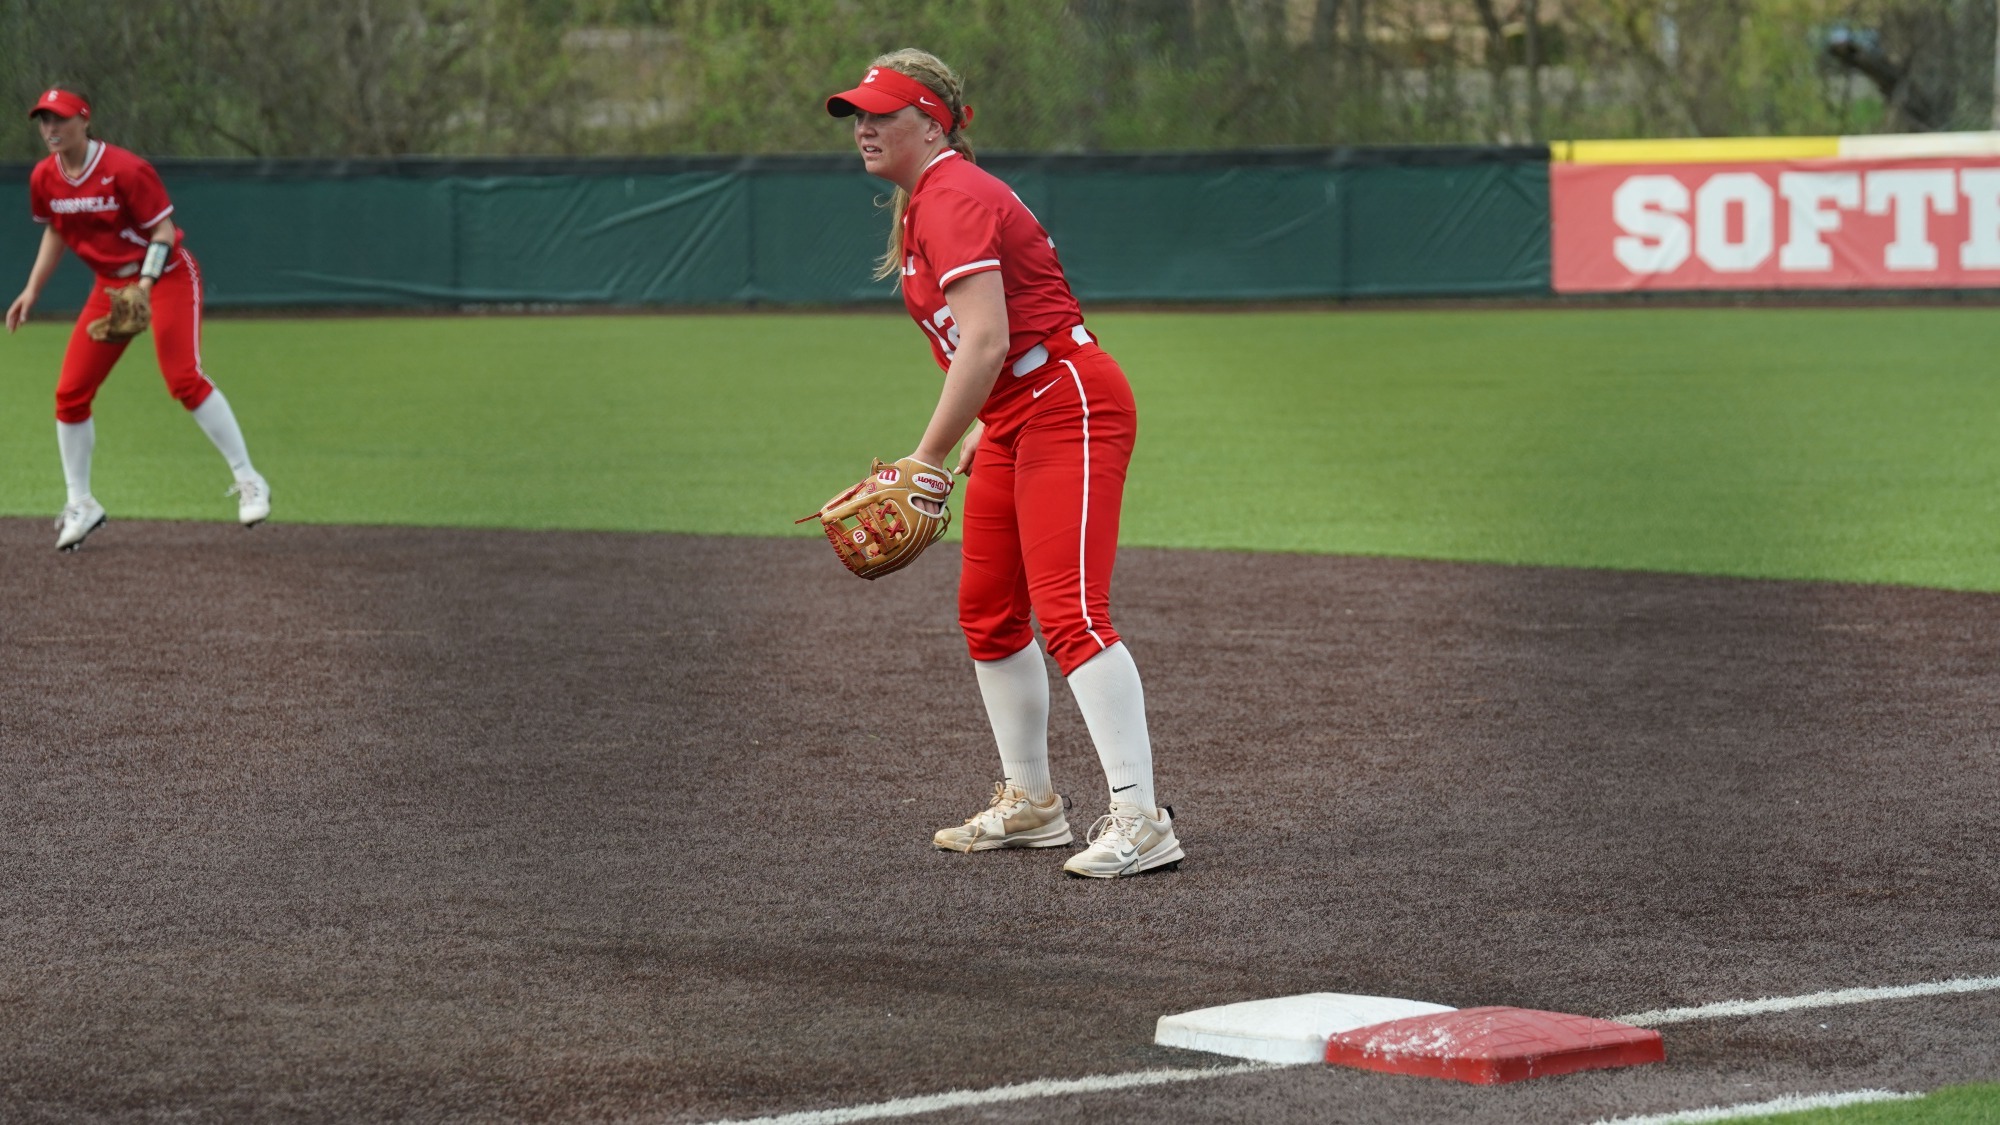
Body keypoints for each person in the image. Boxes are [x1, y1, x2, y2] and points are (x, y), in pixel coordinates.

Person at [825, 50, 1183, 878]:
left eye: (883, 113)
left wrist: (928, 456)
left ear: (933, 122)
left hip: (1068, 402)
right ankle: (1032, 803)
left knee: (1071, 613)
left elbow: (985, 339)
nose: (866, 128)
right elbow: (989, 347)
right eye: (858, 116)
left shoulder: (952, 194)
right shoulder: (928, 202)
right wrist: (984, 429)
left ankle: (1140, 816)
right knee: (989, 610)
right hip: (1016, 414)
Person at [6, 87, 270, 551]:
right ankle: (81, 502)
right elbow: (56, 229)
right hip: (109, 286)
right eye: (43, 120)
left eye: (60, 119)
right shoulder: (44, 178)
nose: (50, 128)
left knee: (183, 379)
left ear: (84, 121)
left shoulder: (126, 170)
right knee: (70, 394)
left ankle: (249, 479)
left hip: (166, 275)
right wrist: (32, 290)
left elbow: (163, 231)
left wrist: (144, 286)